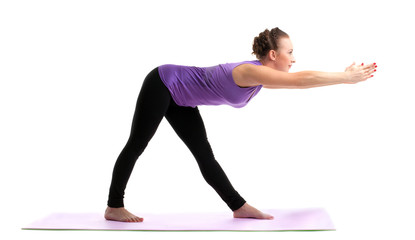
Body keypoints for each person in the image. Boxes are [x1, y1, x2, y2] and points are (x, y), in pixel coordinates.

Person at [104, 27, 377, 222]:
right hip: (164, 82)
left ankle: (238, 206)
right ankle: (114, 206)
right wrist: (345, 76)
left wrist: (343, 79)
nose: (294, 58)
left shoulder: (262, 78)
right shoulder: (251, 71)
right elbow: (300, 80)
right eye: (290, 52)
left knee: (204, 155)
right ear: (272, 54)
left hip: (182, 99)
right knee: (138, 144)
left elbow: (299, 82)